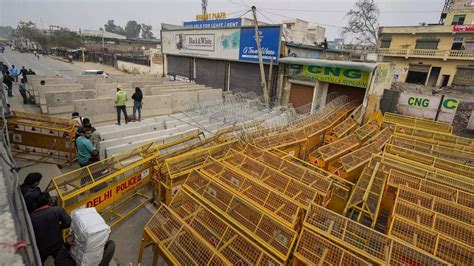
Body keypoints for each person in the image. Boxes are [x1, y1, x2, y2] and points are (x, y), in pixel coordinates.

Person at [30, 192, 71, 264]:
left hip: (41, 247)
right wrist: (59, 227)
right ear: (49, 201)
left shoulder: (31, 217)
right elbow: (68, 222)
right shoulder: (58, 210)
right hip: (57, 244)